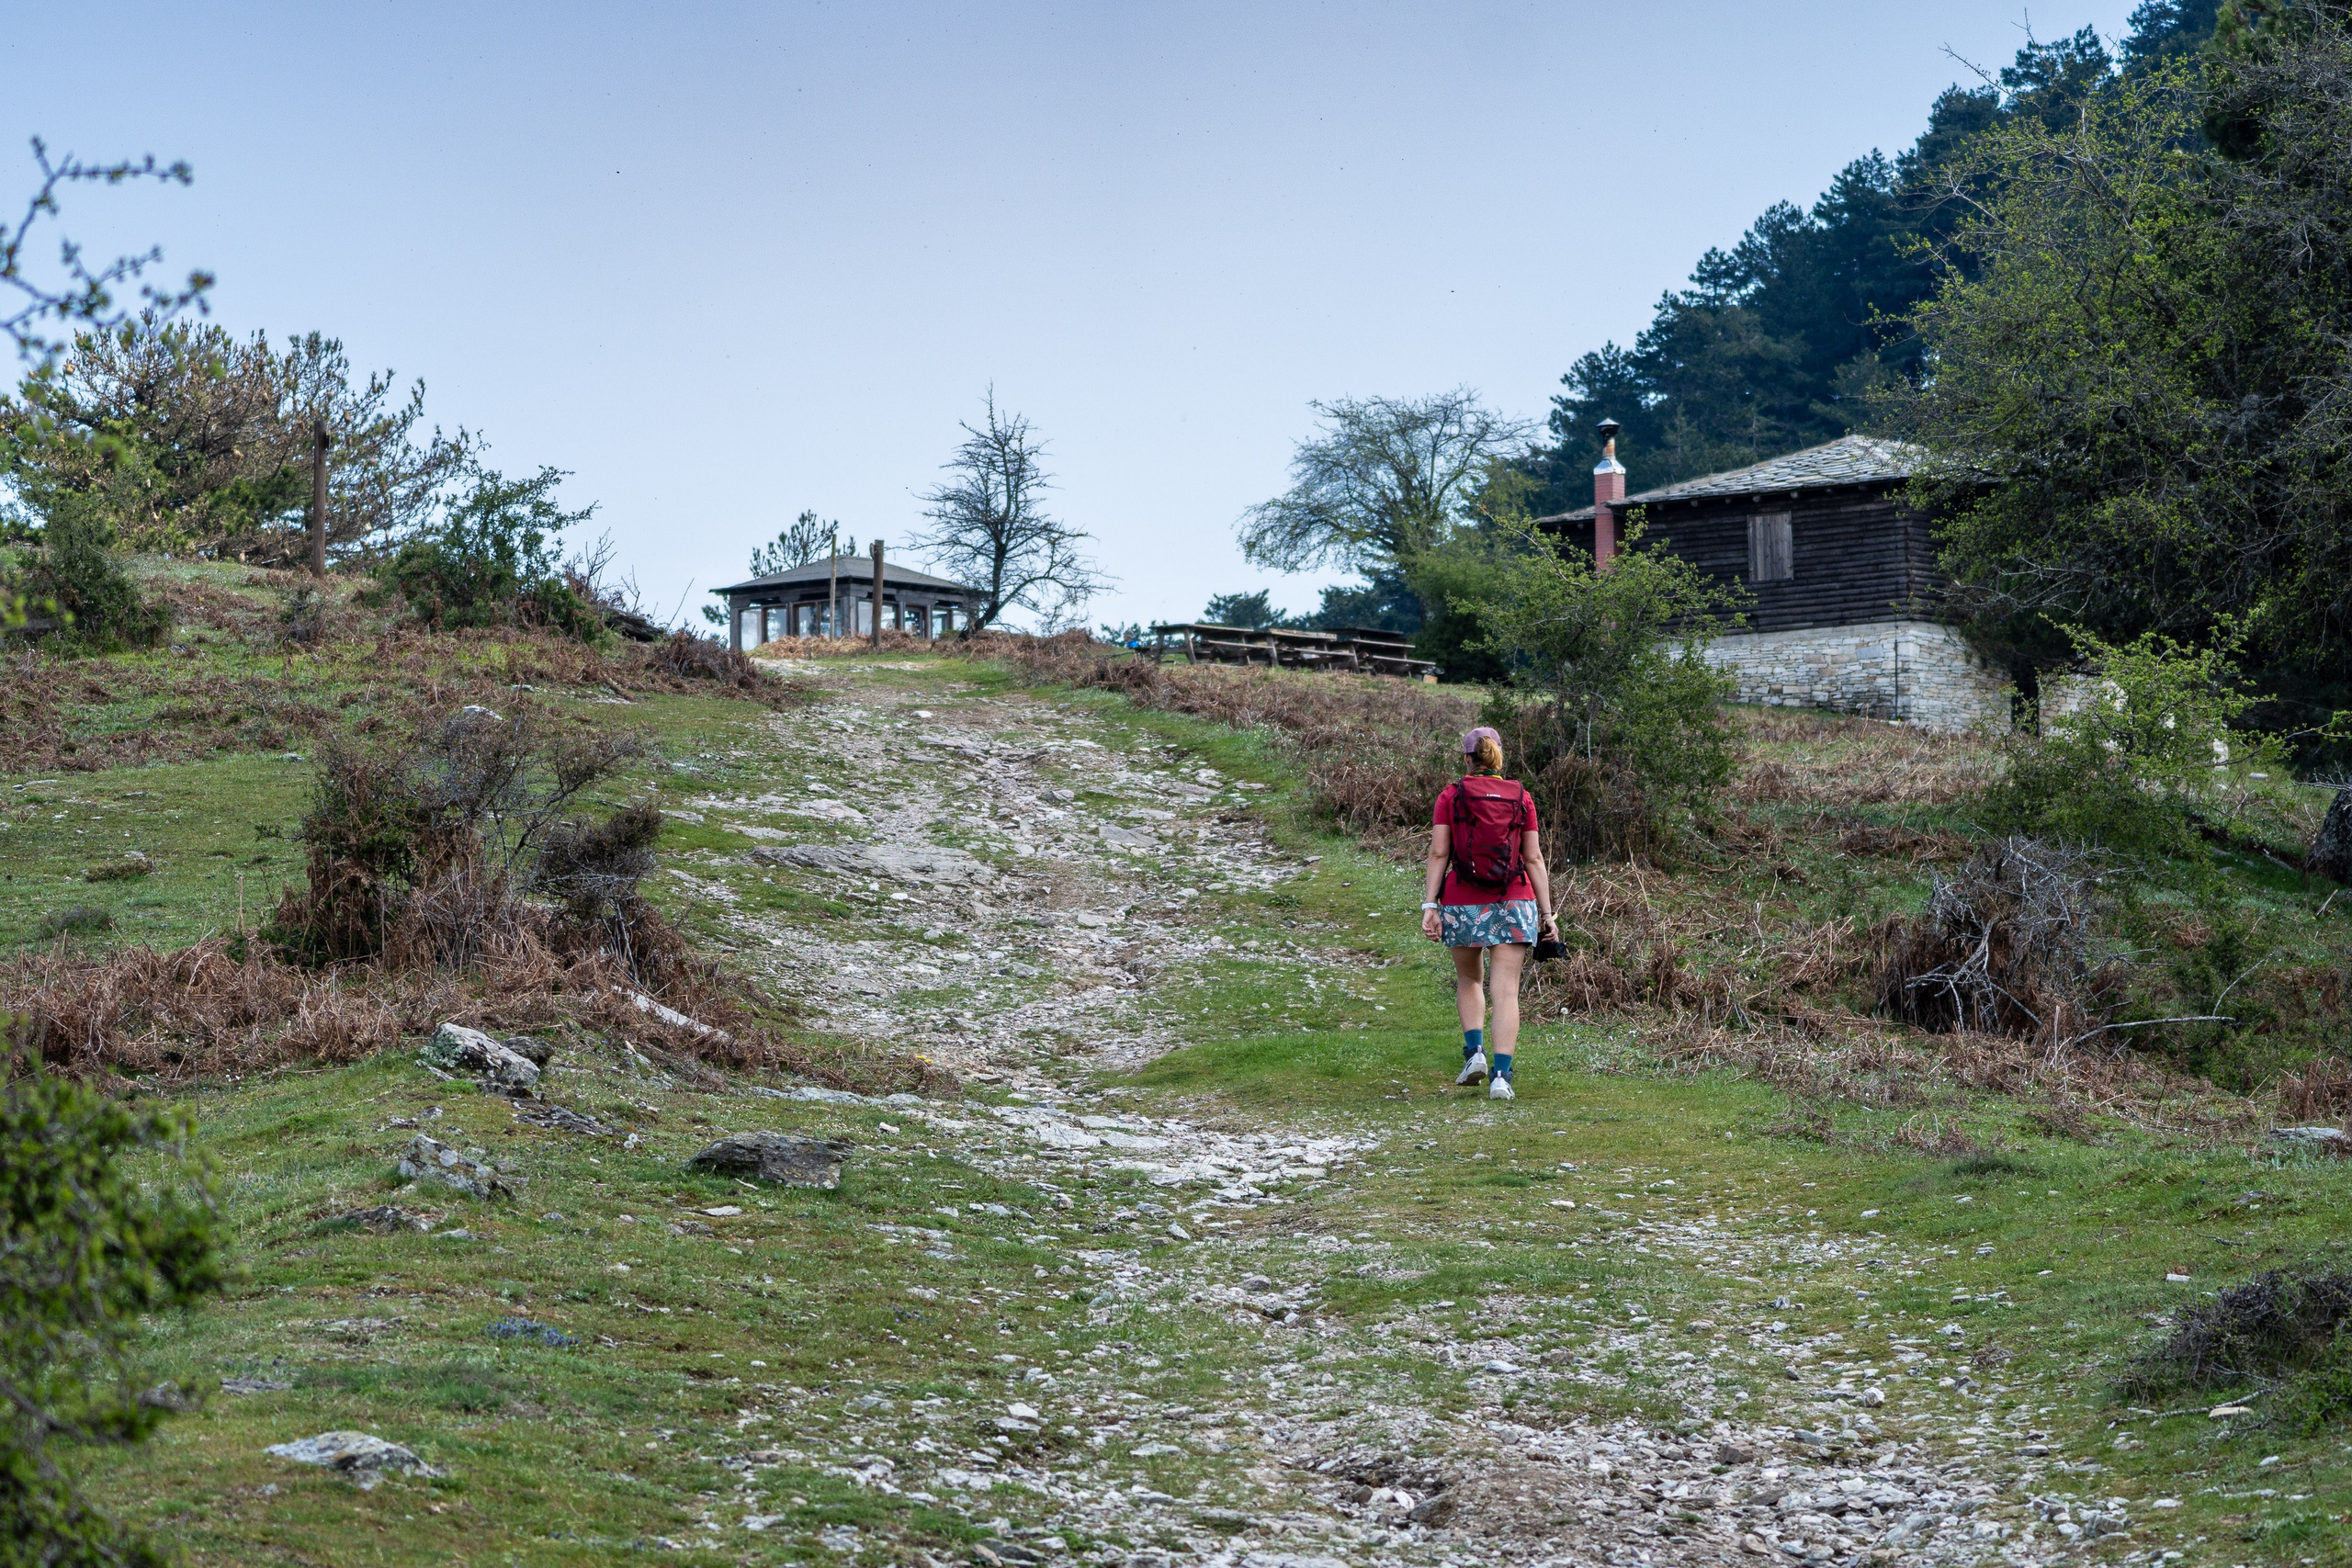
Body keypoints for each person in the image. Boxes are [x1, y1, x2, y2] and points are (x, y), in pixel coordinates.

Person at [1419, 726, 1556, 1100]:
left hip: (1463, 901)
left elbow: (1438, 854)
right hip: (1515, 901)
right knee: (1507, 992)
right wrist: (1547, 915)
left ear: (1467, 758)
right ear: (1498, 756)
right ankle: (1501, 1077)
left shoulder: (1451, 795)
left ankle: (1474, 1053)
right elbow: (1533, 858)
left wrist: (1430, 905)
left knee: (1469, 980)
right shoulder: (1522, 797)